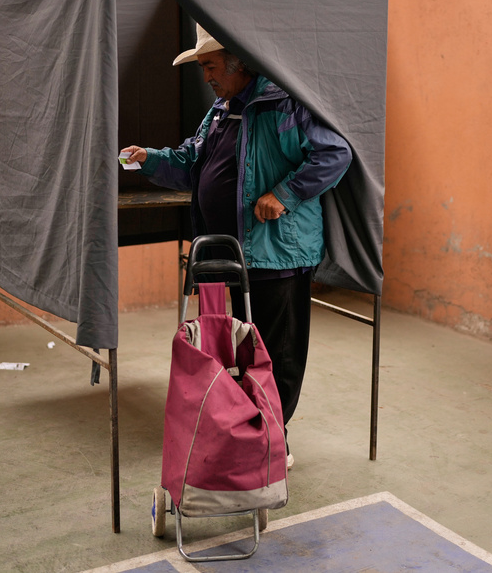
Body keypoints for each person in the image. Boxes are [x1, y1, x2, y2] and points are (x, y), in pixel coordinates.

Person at [121, 24, 352, 469]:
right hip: (237, 256)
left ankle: (274, 440)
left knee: (278, 352)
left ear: (237, 63)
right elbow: (191, 163)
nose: (206, 76)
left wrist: (284, 194)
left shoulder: (283, 105)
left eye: (210, 66)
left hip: (278, 254)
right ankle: (257, 428)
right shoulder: (223, 110)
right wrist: (148, 158)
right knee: (248, 347)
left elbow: (334, 153)